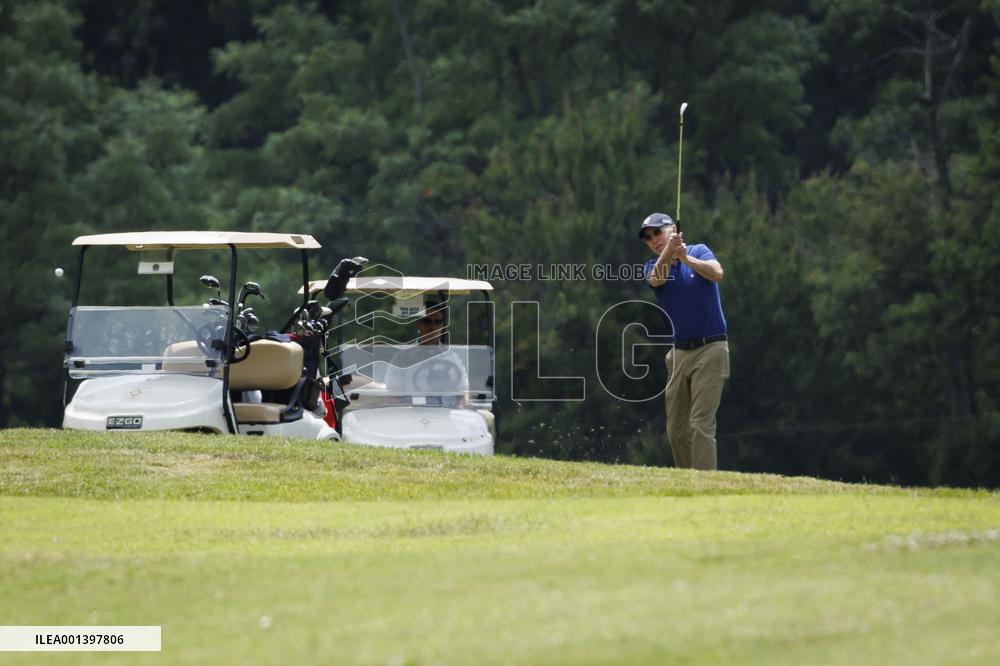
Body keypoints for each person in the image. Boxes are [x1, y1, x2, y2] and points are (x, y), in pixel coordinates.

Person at [640, 212, 729, 470]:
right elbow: (656, 278)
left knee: (700, 422)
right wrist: (669, 252)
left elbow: (716, 273)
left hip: (711, 348)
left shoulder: (699, 251)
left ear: (673, 229)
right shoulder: (653, 265)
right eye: (648, 237)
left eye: (658, 232)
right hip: (679, 353)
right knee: (677, 429)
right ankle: (687, 479)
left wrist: (685, 257)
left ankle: (705, 484)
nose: (653, 239)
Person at [385, 301, 469, 403]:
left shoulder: (451, 356)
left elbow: (463, 393)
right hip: (411, 413)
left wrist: (462, 406)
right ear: (418, 323)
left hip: (445, 413)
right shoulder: (402, 357)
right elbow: (391, 395)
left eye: (438, 322)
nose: (432, 327)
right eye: (427, 321)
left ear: (443, 325)